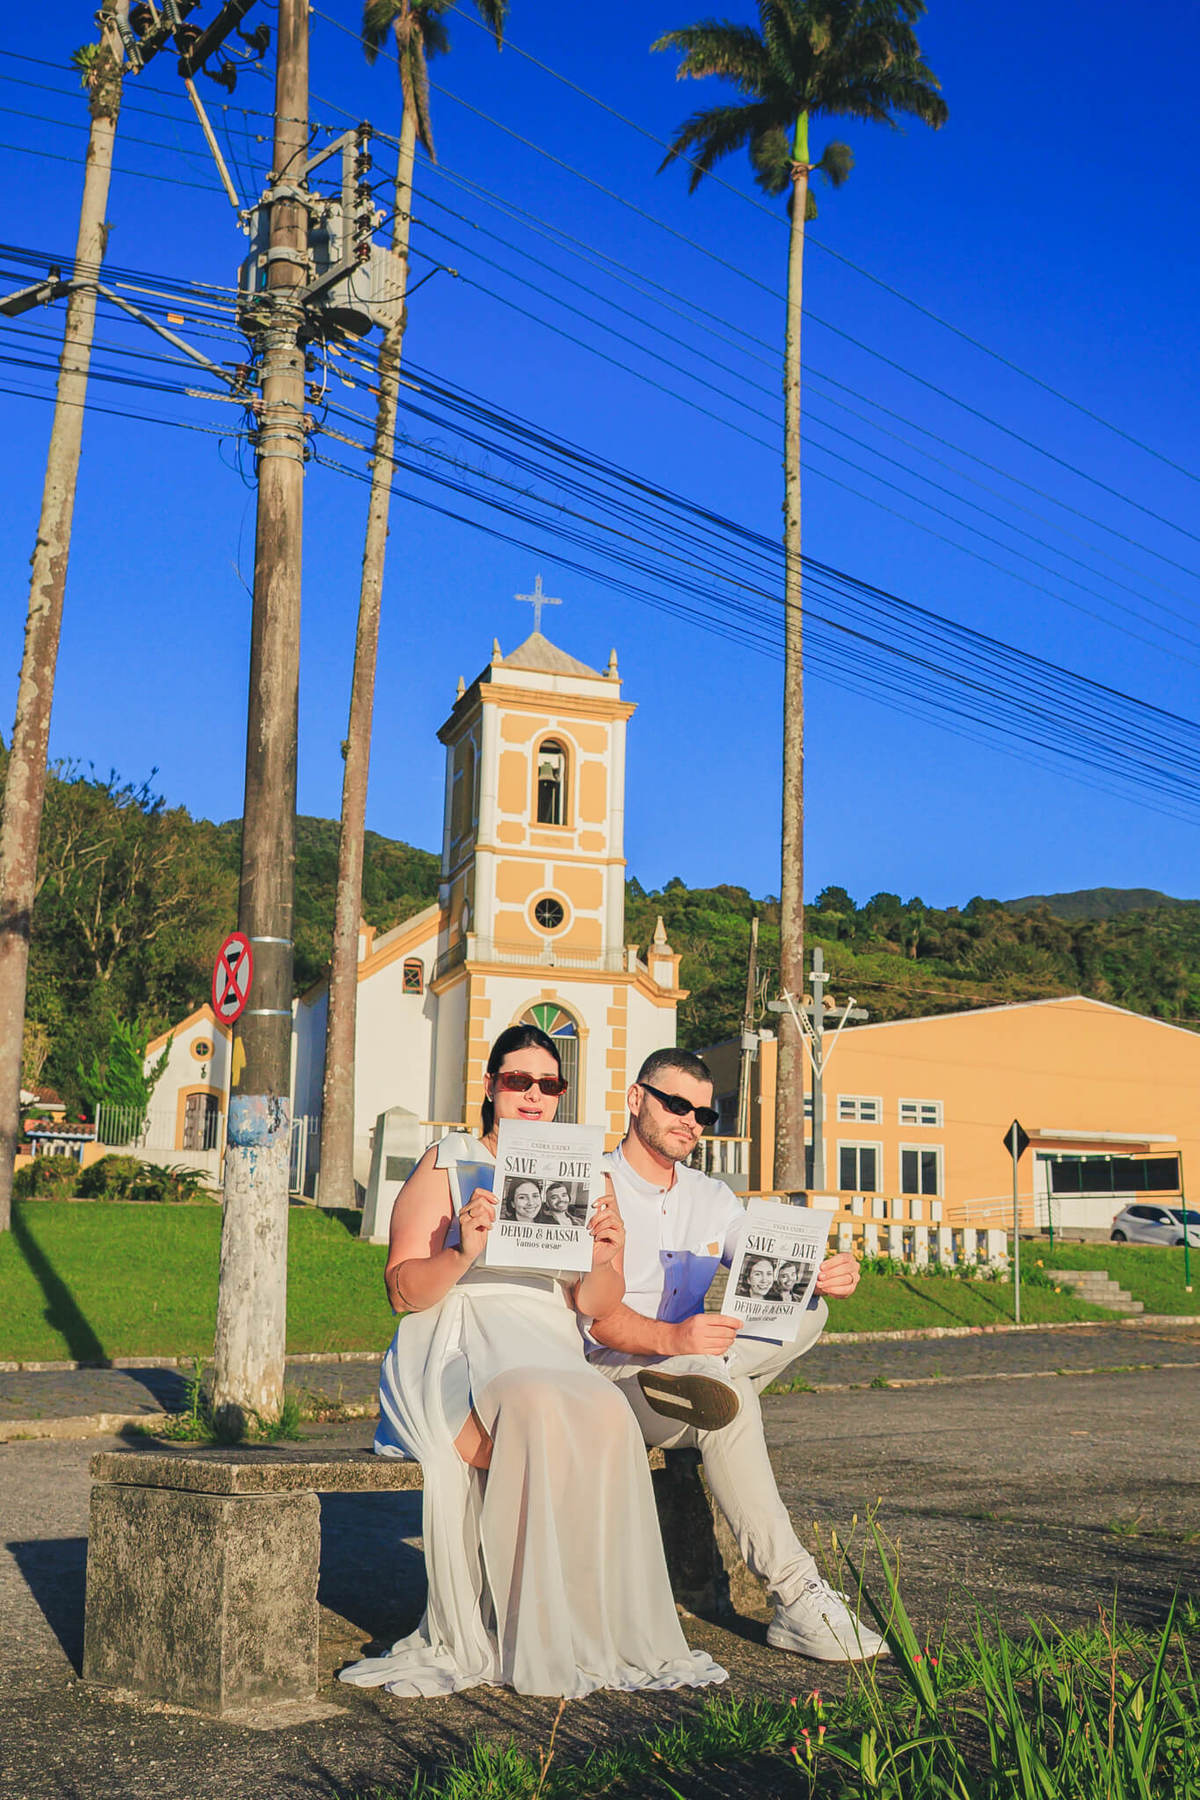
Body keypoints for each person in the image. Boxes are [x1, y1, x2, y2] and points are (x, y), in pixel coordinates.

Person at [338, 1025, 726, 1700]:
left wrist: (605, 1254)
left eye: (550, 1084)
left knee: (607, 1413)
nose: (534, 1095)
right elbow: (402, 1291)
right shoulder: (449, 1160)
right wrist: (460, 1250)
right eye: (518, 1080)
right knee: (536, 1405)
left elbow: (595, 1305)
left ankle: (583, 1621)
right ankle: (523, 1626)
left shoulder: (584, 1172)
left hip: (550, 1338)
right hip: (460, 1334)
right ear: (490, 1087)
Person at [586, 1047, 888, 1664]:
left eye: (706, 1112)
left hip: (693, 1369)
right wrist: (677, 1343)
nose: (692, 1121)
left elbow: (774, 1265)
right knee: (732, 1400)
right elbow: (595, 1319)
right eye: (677, 1105)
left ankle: (708, 1381)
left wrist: (825, 1273)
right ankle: (796, 1594)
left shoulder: (711, 1197)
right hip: (612, 1375)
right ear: (636, 1098)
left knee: (809, 1314)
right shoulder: (594, 1185)